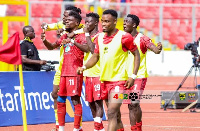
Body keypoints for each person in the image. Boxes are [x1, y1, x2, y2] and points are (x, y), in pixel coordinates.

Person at [77, 9, 140, 131]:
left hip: (119, 82)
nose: (104, 24)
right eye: (103, 21)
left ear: (115, 21)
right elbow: (95, 57)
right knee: (116, 116)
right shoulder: (99, 38)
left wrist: (133, 75)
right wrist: (84, 67)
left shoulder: (124, 37)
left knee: (111, 112)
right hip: (104, 81)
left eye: (107, 21)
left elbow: (136, 54)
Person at [41, 11, 88, 131]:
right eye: (65, 21)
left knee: (75, 99)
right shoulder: (64, 36)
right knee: (60, 98)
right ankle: (60, 128)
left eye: (69, 20)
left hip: (74, 73)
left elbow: (88, 49)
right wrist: (44, 40)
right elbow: (52, 46)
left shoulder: (82, 37)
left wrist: (73, 41)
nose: (66, 22)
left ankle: (77, 128)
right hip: (63, 72)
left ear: (77, 23)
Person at [116, 14, 162, 131]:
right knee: (129, 105)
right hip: (124, 77)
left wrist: (158, 49)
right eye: (124, 21)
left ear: (134, 25)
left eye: (127, 22)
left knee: (134, 103)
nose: (124, 23)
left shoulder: (142, 38)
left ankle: (137, 127)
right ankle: (135, 127)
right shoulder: (121, 37)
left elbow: (154, 49)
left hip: (138, 76)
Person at [83, 13, 105, 131]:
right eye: (85, 22)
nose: (86, 24)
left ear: (96, 23)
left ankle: (97, 128)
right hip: (88, 74)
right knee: (90, 103)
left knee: (98, 103)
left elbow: (92, 50)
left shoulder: (100, 36)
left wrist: (86, 34)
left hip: (98, 74)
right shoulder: (88, 36)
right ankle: (99, 128)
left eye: (89, 22)